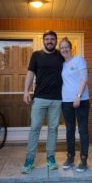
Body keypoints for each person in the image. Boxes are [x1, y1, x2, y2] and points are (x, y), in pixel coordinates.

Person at [21, 30, 64, 174]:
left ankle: (50, 157)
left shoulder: (61, 55)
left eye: (52, 39)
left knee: (53, 129)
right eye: (47, 39)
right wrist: (26, 91)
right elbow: (30, 74)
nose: (50, 41)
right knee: (35, 128)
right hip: (39, 98)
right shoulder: (36, 55)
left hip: (57, 99)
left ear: (56, 41)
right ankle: (30, 159)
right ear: (43, 41)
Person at [59, 37, 90, 172]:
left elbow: (84, 78)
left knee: (82, 130)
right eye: (62, 48)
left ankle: (83, 159)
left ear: (71, 48)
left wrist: (78, 96)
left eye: (66, 47)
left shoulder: (79, 60)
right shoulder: (61, 64)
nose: (64, 49)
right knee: (69, 130)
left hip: (81, 100)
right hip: (66, 101)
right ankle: (70, 157)